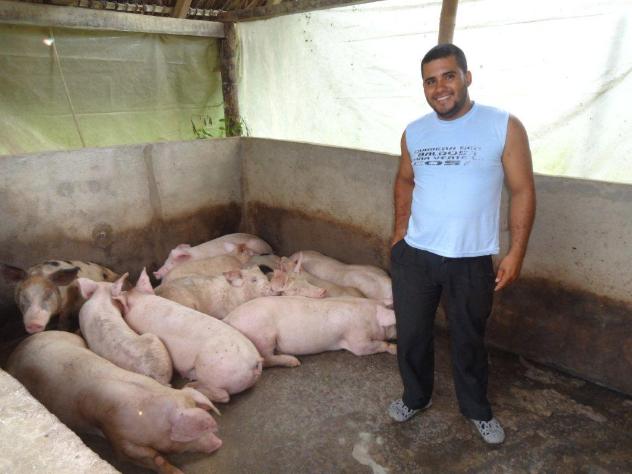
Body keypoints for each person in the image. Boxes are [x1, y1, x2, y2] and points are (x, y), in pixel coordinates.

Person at [387, 43, 536, 444]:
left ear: (467, 77)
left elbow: (522, 190)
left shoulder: (503, 125)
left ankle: (476, 408)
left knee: (469, 339)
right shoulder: (414, 132)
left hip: (470, 259)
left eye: (449, 76)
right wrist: (399, 234)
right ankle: (415, 397)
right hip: (415, 256)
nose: (440, 88)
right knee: (412, 335)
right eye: (430, 81)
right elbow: (404, 181)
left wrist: (516, 252)